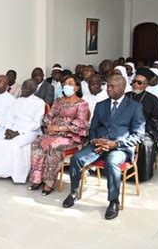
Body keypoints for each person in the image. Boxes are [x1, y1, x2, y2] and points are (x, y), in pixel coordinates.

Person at [62, 75, 145, 220]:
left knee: (112, 162)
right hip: (99, 144)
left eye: (112, 86)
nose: (108, 89)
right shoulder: (101, 105)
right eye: (108, 86)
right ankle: (74, 192)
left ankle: (113, 201)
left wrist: (116, 144)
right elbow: (93, 128)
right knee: (76, 158)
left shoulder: (135, 107)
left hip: (120, 148)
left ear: (123, 88)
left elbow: (138, 135)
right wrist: (95, 141)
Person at [29, 75, 89, 195]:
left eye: (70, 83)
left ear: (77, 87)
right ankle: (37, 179)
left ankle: (49, 183)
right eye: (65, 83)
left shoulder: (82, 104)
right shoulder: (58, 101)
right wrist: (48, 126)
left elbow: (81, 124)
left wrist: (59, 129)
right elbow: (50, 115)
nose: (66, 86)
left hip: (70, 137)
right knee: (37, 144)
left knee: (53, 147)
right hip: (53, 132)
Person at [0, 79, 45, 183]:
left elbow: (36, 123)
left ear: (33, 90)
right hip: (13, 128)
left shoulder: (39, 102)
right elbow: (9, 117)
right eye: (23, 87)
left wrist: (19, 132)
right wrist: (8, 129)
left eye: (27, 88)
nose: (23, 89)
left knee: (14, 145)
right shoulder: (16, 101)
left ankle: (17, 175)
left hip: (30, 132)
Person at [126, 68, 158, 182]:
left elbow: (156, 120)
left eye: (140, 83)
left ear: (146, 85)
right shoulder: (125, 96)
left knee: (146, 144)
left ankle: (142, 175)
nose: (135, 84)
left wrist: (143, 131)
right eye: (134, 82)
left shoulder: (153, 100)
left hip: (145, 130)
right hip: (124, 128)